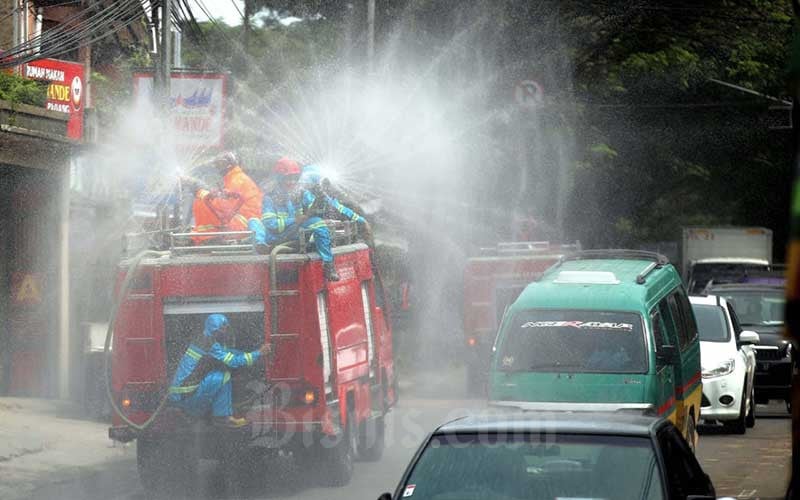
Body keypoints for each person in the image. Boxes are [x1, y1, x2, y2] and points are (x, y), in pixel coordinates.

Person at [248, 158, 343, 281]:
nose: (292, 182)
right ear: (279, 179)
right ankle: (261, 246)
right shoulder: (270, 197)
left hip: (296, 233)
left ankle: (328, 265)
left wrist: (321, 199)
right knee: (253, 221)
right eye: (288, 178)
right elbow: (270, 223)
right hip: (275, 236)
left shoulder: (302, 193)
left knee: (318, 224)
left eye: (294, 178)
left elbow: (314, 210)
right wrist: (295, 220)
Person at [168, 314, 269, 428]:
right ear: (215, 329)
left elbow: (227, 352)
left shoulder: (204, 339)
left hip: (180, 395)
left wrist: (249, 354)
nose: (226, 331)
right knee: (223, 375)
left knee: (218, 374)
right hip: (186, 398)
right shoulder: (210, 344)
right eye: (223, 328)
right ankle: (223, 418)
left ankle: (206, 413)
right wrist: (258, 353)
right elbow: (233, 362)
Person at [188, 152, 263, 244]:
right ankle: (203, 236)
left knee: (201, 202)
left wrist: (202, 193)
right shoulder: (235, 178)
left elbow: (224, 206)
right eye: (217, 165)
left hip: (243, 223)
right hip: (244, 220)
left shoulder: (237, 180)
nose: (218, 168)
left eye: (220, 164)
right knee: (202, 200)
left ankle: (206, 237)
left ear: (229, 164)